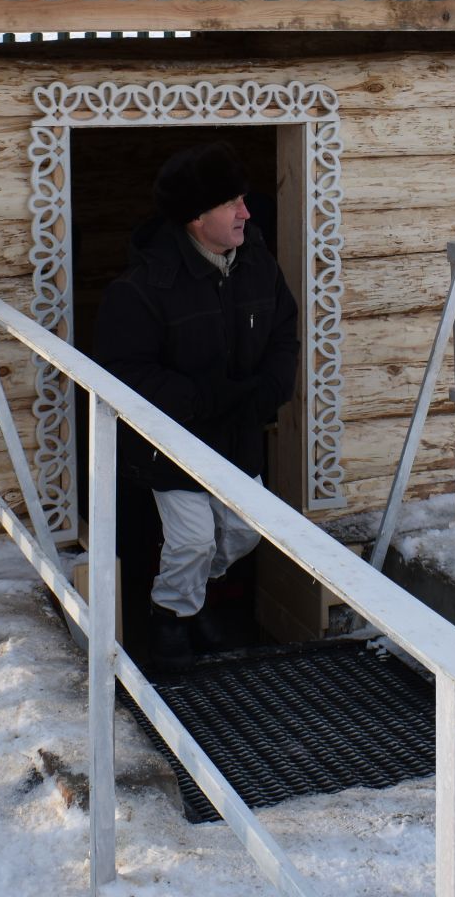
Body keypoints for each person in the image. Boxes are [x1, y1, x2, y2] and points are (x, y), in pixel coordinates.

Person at [93, 142, 300, 664]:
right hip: (174, 443)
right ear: (194, 216)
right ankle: (170, 618)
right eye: (231, 203)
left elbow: (283, 331)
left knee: (243, 532)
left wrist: (271, 388)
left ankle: (193, 597)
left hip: (239, 436)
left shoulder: (256, 264)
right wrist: (210, 399)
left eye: (243, 200)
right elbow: (128, 373)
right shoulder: (141, 288)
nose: (246, 212)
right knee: (191, 540)